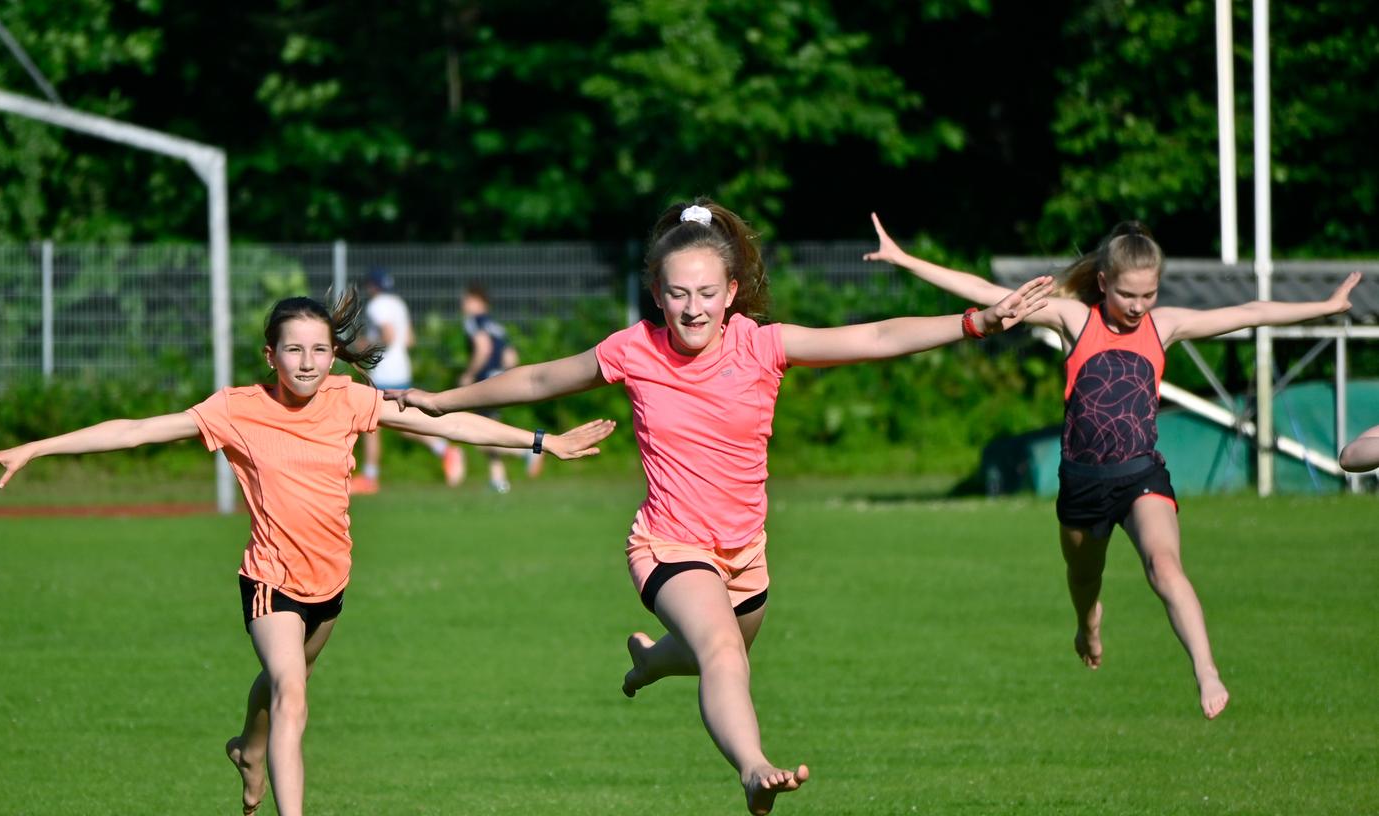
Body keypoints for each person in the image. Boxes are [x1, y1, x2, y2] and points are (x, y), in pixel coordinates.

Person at [390, 199, 1052, 814]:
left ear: (732, 294)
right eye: (677, 294)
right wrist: (445, 401)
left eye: (707, 293)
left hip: (746, 555)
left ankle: (651, 661)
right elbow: (538, 378)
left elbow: (875, 338)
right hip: (670, 547)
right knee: (724, 655)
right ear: (657, 294)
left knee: (717, 649)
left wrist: (975, 322)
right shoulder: (634, 351)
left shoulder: (764, 345)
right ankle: (753, 769)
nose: (693, 307)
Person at [0, 293, 615, 816]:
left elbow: (440, 420)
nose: (307, 362)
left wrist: (541, 442)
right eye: (294, 350)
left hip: (330, 585)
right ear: (269, 354)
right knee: (293, 696)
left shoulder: (348, 399)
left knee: (281, 686)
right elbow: (135, 430)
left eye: (319, 350)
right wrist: (37, 448)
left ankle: (248, 749)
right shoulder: (236, 410)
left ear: (334, 355)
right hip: (269, 582)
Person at [864, 214, 1362, 720]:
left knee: (1165, 567)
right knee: (1084, 581)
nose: (1139, 307)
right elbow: (984, 289)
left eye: (1149, 295)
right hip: (1081, 482)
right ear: (1103, 283)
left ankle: (1206, 669)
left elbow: (1250, 311)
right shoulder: (1074, 320)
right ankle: (1089, 625)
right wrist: (905, 259)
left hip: (1141, 476)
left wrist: (1325, 306)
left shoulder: (1164, 326)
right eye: (1128, 295)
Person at [350, 267, 466, 493]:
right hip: (401, 368)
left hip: (384, 372)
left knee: (369, 423)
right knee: (401, 424)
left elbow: (389, 336)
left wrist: (361, 347)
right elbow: (410, 339)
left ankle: (370, 477)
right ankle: (446, 450)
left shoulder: (377, 305)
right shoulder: (399, 304)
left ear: (373, 287)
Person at [459, 283, 543, 492]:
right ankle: (498, 481)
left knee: (478, 435)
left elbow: (483, 347)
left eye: (465, 300)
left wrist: (469, 374)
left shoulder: (473, 322)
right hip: (499, 380)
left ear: (476, 300)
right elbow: (511, 357)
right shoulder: (496, 326)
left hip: (484, 380)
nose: (463, 304)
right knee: (489, 430)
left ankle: (527, 451)